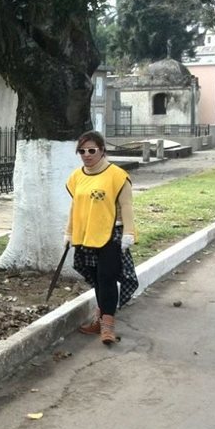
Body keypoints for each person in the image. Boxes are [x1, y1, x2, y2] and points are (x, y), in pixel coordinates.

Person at [66, 131, 138, 346]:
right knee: (96, 278)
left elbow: (127, 206)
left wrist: (129, 233)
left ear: (102, 150)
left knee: (107, 277)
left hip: (111, 234)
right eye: (82, 151)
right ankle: (100, 318)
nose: (86, 155)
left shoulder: (117, 176)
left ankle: (107, 327)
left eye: (91, 150)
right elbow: (74, 207)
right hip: (87, 235)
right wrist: (69, 232)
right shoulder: (76, 176)